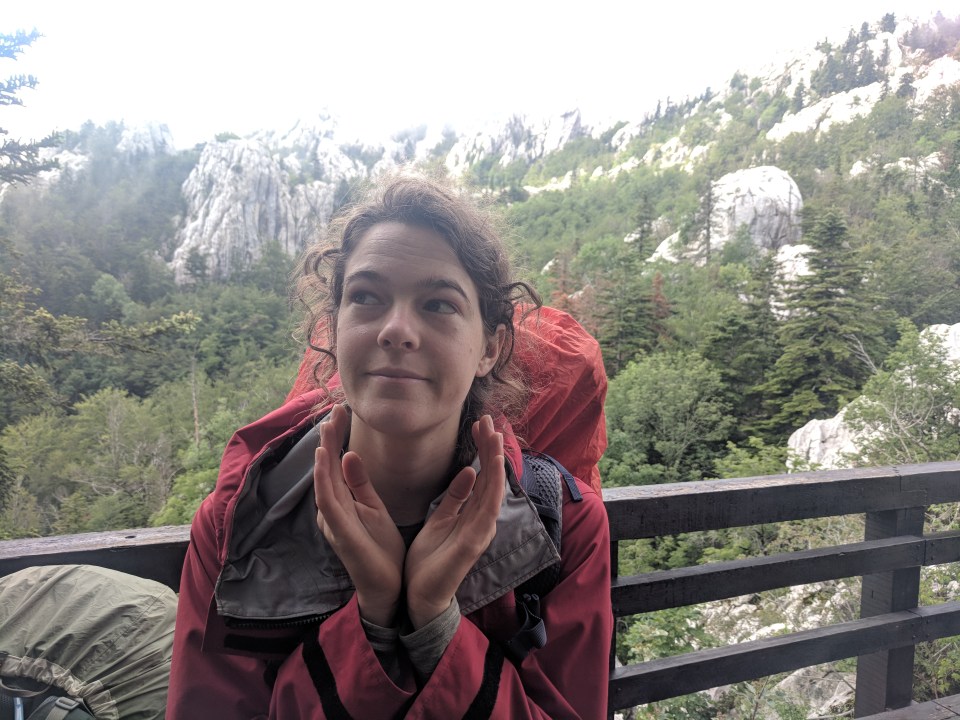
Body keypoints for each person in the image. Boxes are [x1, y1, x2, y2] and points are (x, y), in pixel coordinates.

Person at [166, 173, 612, 719]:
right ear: (333, 331)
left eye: (438, 304)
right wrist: (373, 620)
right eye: (367, 297)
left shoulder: (565, 526)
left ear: (490, 349)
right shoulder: (237, 525)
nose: (396, 329)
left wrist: (435, 624)